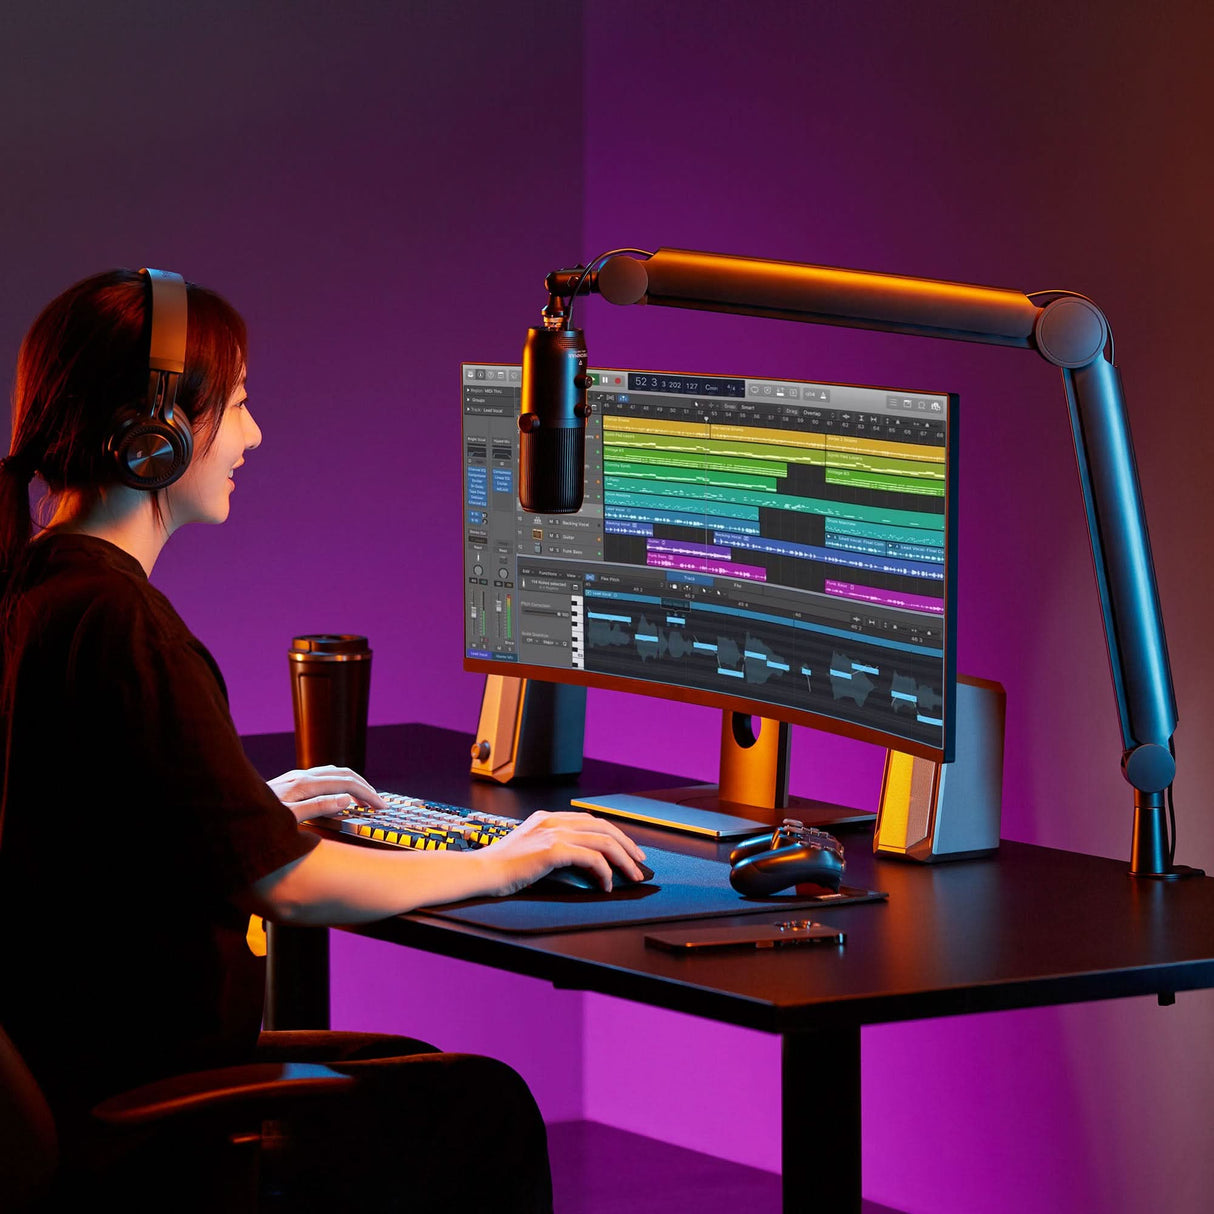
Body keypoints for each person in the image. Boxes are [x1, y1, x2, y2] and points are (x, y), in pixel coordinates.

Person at [0, 268, 647, 1211]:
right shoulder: (120, 623)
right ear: (158, 432)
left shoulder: (37, 590)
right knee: (480, 1108)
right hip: (135, 1119)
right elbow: (289, 887)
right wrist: (504, 859)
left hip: (80, 1074)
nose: (254, 436)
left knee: (417, 1070)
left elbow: (66, 831)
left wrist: (242, 813)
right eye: (239, 405)